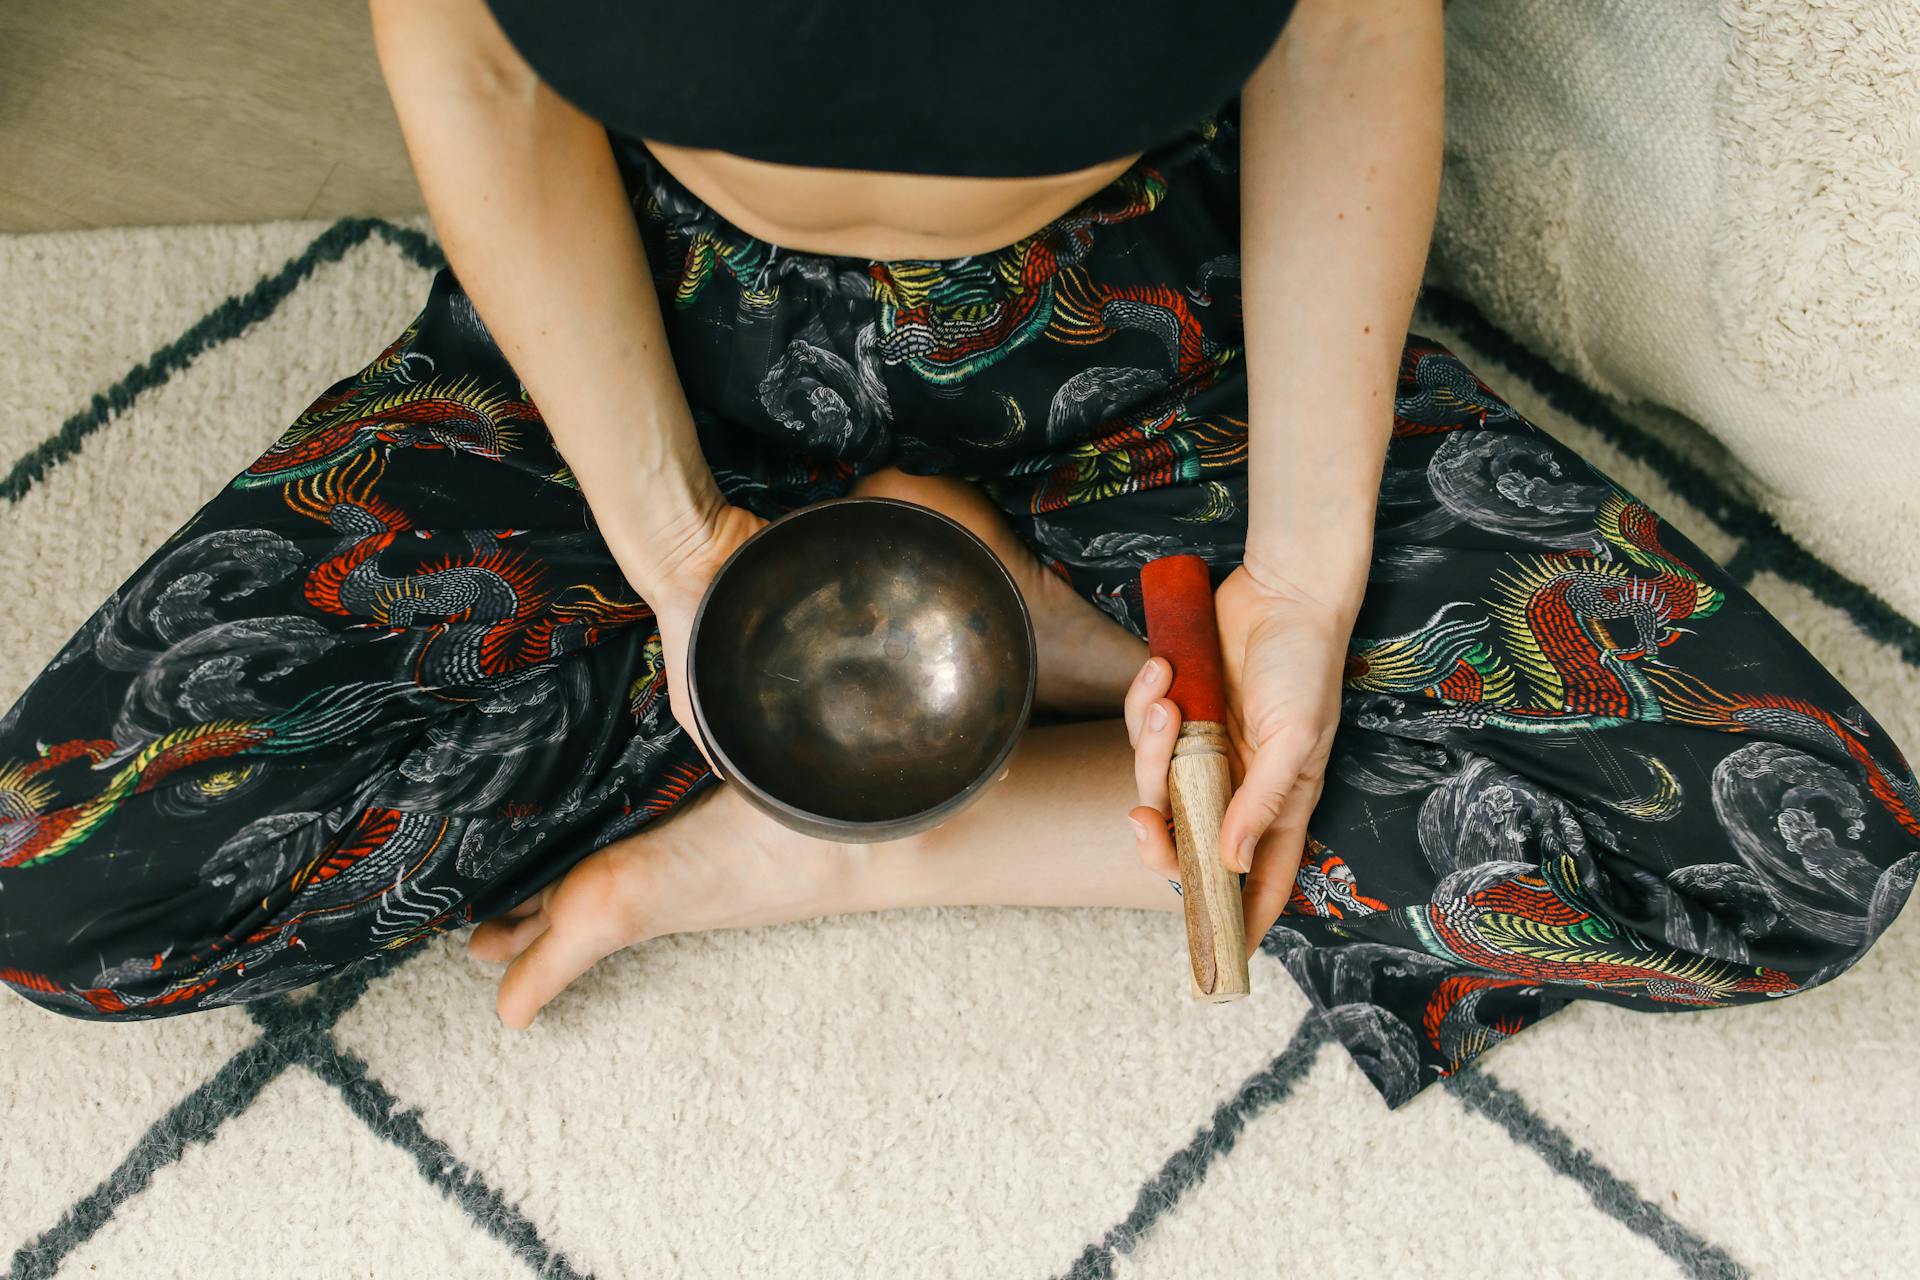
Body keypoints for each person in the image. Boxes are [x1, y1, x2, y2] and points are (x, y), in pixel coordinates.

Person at [1, 0, 1913, 1111]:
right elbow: (487, 73)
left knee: (1774, 852)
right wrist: (681, 558)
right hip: (651, 344)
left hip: (1150, 351)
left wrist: (1303, 593)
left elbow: (1339, 26)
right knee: (75, 887)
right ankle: (928, 672)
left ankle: (869, 799)